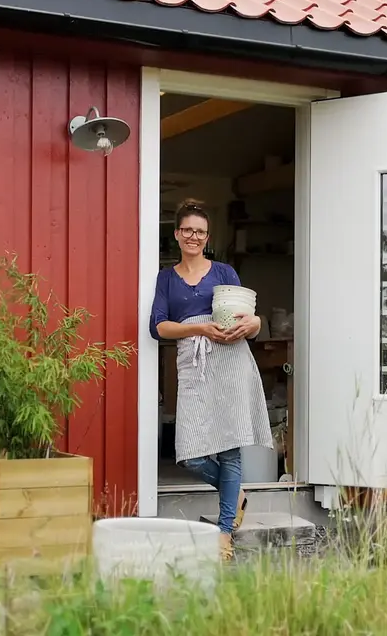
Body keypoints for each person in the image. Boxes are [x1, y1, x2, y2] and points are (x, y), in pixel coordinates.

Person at [149, 198, 274, 561]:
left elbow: (247, 318)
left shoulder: (224, 272)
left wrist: (256, 323)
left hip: (230, 360)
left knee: (230, 446)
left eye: (200, 231)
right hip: (194, 361)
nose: (194, 236)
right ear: (177, 234)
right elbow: (158, 327)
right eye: (188, 230)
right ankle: (235, 495)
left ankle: (224, 531)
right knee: (190, 454)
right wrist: (200, 328)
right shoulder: (166, 278)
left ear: (207, 237)